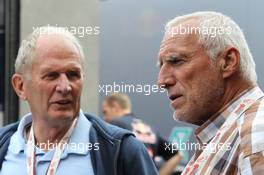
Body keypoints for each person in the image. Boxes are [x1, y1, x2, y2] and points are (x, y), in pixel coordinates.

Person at [0, 26, 158, 175]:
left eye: (73, 74)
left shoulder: (120, 149)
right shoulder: (5, 146)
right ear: (20, 86)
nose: (65, 87)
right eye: (51, 75)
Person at [157, 11, 264, 174]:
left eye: (176, 61)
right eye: (161, 65)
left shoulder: (257, 130)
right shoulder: (230, 134)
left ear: (228, 61)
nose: (162, 80)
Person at [102, 93, 182, 175]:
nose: (104, 118)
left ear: (115, 106)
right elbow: (177, 155)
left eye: (105, 112)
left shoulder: (114, 124)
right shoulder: (150, 128)